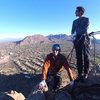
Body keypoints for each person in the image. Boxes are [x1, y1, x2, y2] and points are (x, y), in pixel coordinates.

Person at [71, 6, 90, 81]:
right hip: (77, 41)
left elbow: (85, 30)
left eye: (76, 11)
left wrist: (76, 34)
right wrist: (74, 36)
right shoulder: (74, 22)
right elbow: (72, 31)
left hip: (84, 40)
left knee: (86, 57)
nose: (75, 12)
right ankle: (79, 74)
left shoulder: (86, 19)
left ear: (81, 12)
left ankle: (85, 73)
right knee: (78, 57)